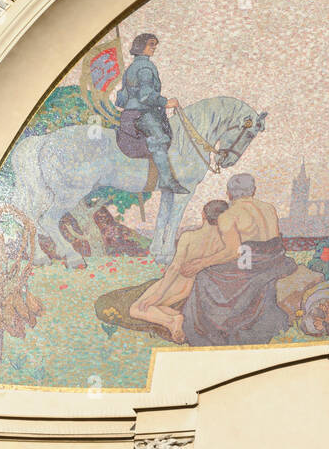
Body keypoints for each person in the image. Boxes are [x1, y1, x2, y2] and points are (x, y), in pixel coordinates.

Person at [179, 175, 296, 346]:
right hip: (276, 261)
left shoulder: (229, 215)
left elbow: (233, 252)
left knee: (204, 275)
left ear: (228, 193)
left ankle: (207, 329)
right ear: (253, 191)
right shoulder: (269, 208)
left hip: (251, 266)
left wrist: (201, 263)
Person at [129, 200, 230, 342]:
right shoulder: (225, 242)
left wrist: (158, 294)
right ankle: (176, 317)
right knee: (158, 306)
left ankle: (171, 321)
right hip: (193, 288)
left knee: (136, 309)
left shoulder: (189, 236)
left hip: (177, 283)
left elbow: (175, 267)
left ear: (203, 215)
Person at [116, 33, 187, 194]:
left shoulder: (133, 67)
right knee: (159, 141)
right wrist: (166, 102)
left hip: (130, 113)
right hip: (142, 114)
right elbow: (146, 94)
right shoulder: (145, 68)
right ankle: (167, 181)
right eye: (151, 45)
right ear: (141, 47)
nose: (154, 48)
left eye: (154, 45)